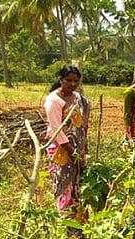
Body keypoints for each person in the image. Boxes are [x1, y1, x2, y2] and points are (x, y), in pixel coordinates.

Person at [43, 65, 91, 212]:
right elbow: (57, 131)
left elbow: (82, 125)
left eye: (76, 81)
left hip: (78, 147)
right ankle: (64, 215)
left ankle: (77, 214)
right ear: (61, 80)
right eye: (68, 80)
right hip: (61, 149)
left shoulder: (77, 98)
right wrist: (73, 153)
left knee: (77, 182)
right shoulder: (53, 101)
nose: (72, 84)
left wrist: (82, 149)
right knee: (63, 182)